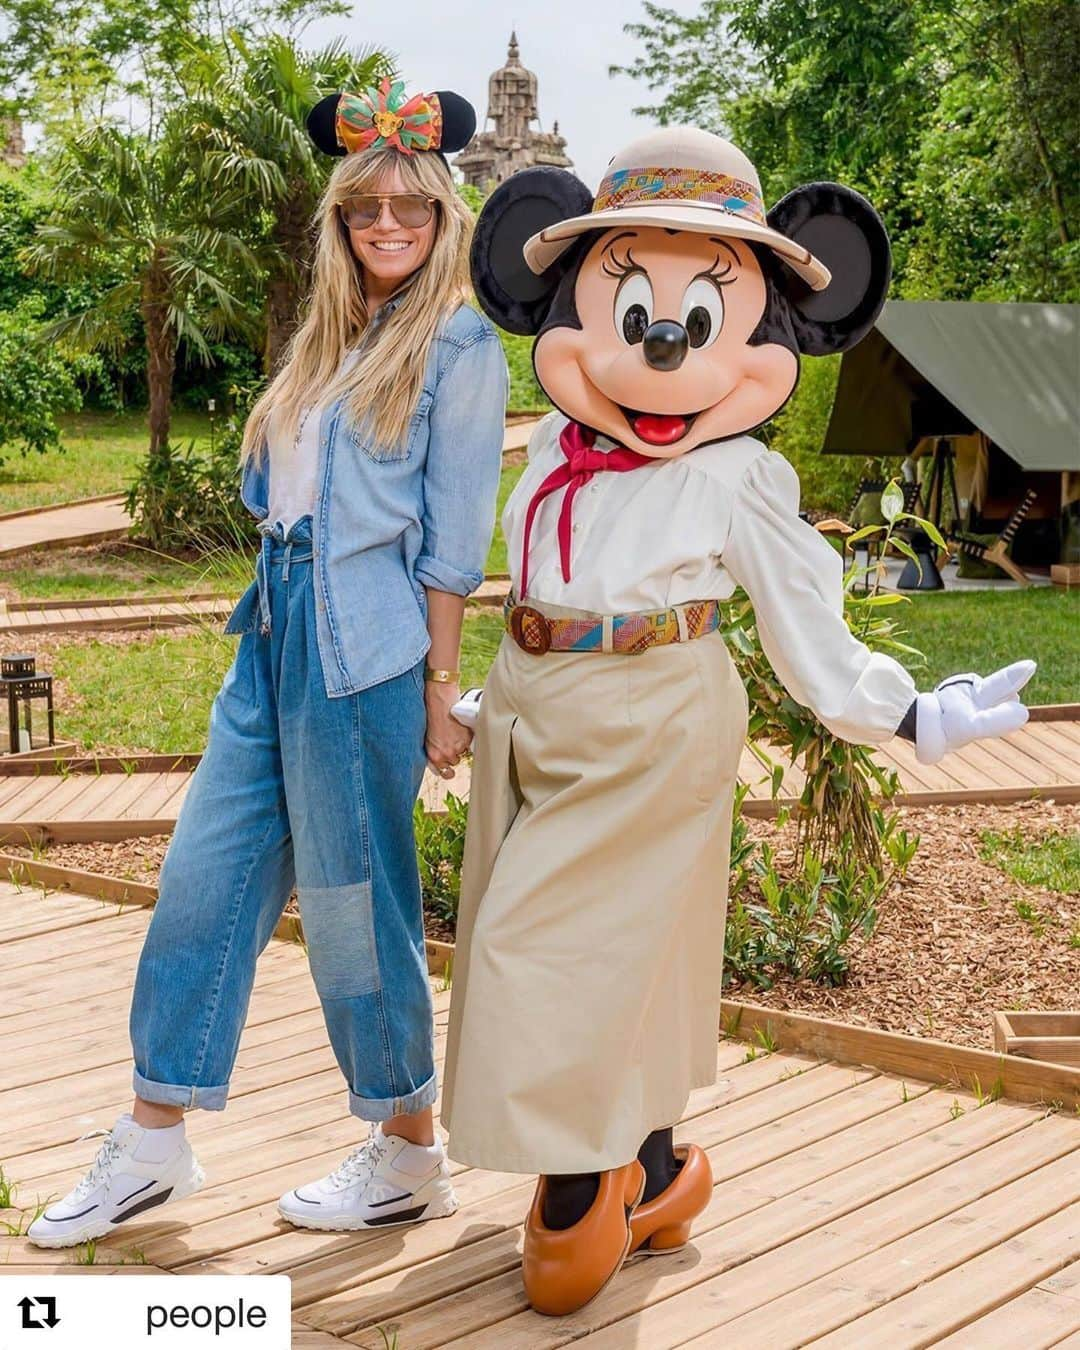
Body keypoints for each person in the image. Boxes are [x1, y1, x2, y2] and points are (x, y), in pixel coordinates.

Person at [445, 125, 1034, 1315]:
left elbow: (804, 631)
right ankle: (657, 1171)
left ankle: (581, 1181)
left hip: (656, 716)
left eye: (703, 321)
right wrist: (481, 693)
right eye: (631, 311)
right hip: (532, 712)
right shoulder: (554, 446)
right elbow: (552, 589)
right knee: (625, 956)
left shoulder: (736, 478)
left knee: (542, 953)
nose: (661, 351)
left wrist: (910, 711)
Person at [29, 79, 508, 1250]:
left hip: (368, 658)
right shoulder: (330, 333)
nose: (386, 226)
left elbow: (453, 541)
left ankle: (409, 1151)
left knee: (353, 913)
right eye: (363, 211)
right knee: (202, 878)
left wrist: (443, 692)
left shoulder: (460, 343)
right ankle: (153, 1141)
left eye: (409, 206)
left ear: (444, 213)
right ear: (338, 222)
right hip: (274, 633)